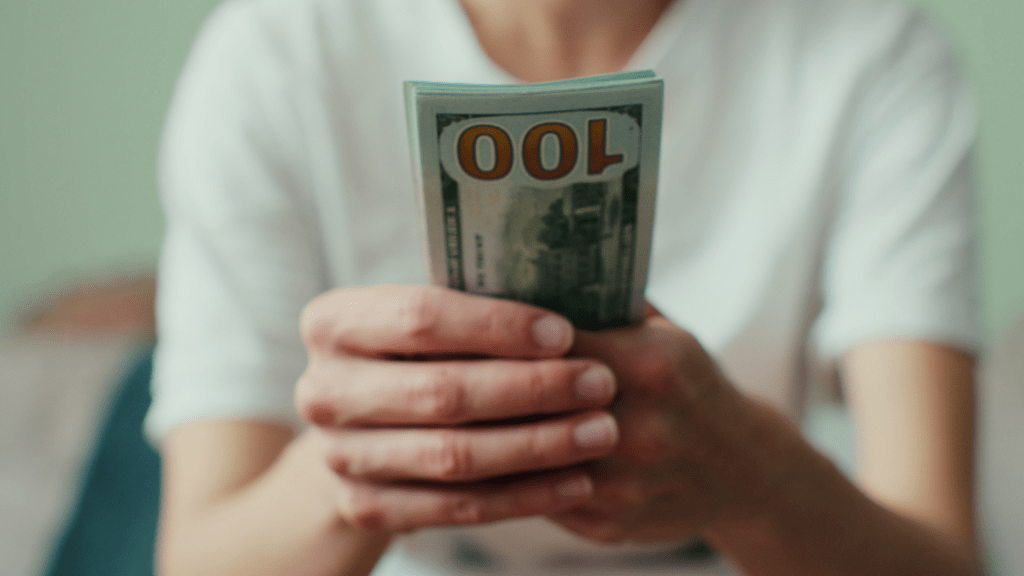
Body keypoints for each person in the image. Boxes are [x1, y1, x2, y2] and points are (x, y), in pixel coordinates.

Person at [146, 0, 984, 574]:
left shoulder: (872, 52)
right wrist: (358, 471)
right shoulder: (272, 58)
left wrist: (754, 475)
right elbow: (199, 555)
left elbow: (944, 553)